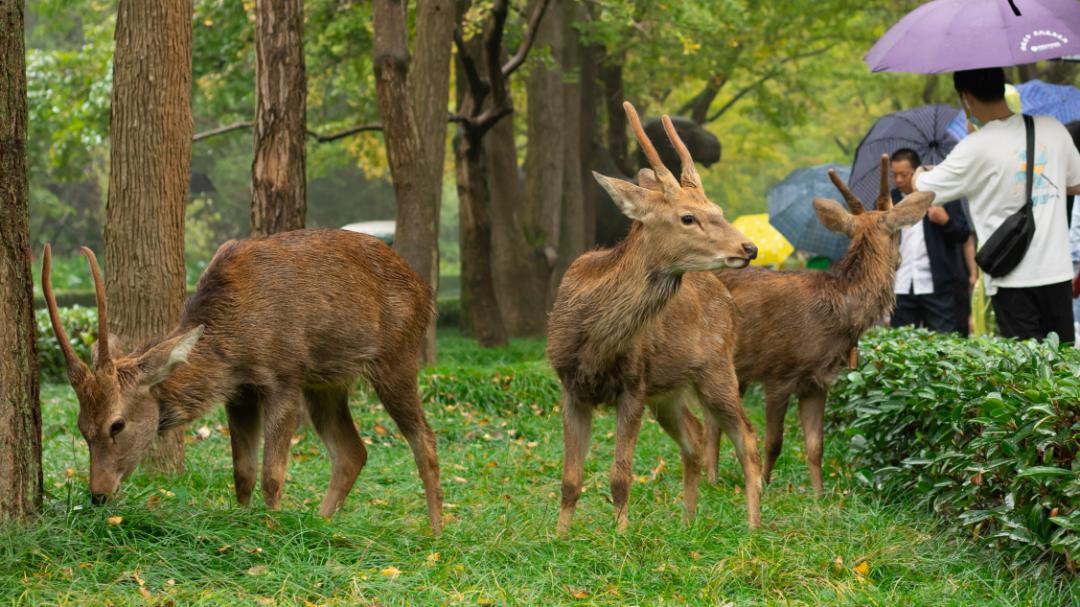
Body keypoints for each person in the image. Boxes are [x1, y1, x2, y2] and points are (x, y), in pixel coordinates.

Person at [914, 67, 1080, 344]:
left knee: (1027, 376)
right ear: (1003, 86)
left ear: (966, 97)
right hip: (1058, 273)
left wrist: (920, 170)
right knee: (1063, 369)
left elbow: (923, 188)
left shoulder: (974, 147)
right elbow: (1076, 184)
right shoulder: (1052, 127)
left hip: (1011, 278)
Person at [889, 148, 972, 333]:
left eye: (904, 174)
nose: (899, 180)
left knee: (944, 343)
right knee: (900, 345)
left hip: (937, 284)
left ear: (916, 172)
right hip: (902, 284)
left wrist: (946, 221)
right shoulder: (890, 201)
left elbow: (963, 233)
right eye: (894, 175)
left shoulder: (941, 196)